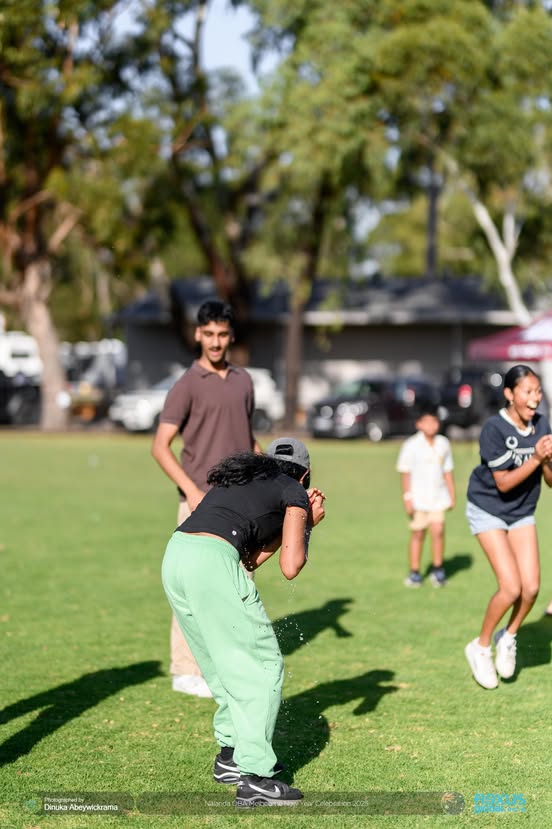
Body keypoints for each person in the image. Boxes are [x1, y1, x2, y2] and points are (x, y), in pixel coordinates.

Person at [161, 437, 326, 807]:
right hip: (213, 564)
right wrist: (307, 523)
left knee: (221, 664)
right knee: (263, 667)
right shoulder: (293, 491)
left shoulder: (240, 481)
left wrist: (291, 524)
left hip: (177, 556)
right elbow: (291, 566)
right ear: (306, 474)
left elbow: (250, 560)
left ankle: (231, 757)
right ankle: (255, 778)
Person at [152, 300, 262, 697]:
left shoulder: (244, 382)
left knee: (239, 583)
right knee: (193, 586)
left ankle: (231, 663)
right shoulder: (186, 385)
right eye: (209, 334)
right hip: (199, 502)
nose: (216, 342)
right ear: (199, 334)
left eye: (222, 335)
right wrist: (193, 490)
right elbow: (161, 447)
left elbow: (246, 438)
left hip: (241, 501)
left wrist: (272, 473)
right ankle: (185, 670)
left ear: (230, 336)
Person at [464, 365, 552, 690]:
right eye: (528, 392)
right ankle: (481, 646)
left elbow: (550, 482)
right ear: (510, 394)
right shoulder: (493, 429)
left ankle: (508, 635)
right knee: (511, 587)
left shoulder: (542, 424)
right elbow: (503, 484)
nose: (535, 398)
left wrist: (548, 461)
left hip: (522, 511)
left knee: (530, 589)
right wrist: (536, 458)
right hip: (488, 508)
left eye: (538, 391)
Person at [396, 404, 455, 588]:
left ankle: (438, 569)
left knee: (438, 531)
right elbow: (405, 472)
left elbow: (447, 471)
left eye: (434, 421)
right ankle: (415, 572)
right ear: (419, 424)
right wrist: (407, 497)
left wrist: (452, 494)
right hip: (419, 499)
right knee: (418, 533)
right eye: (427, 421)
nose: (431, 425)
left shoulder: (443, 443)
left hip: (438, 497)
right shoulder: (411, 445)